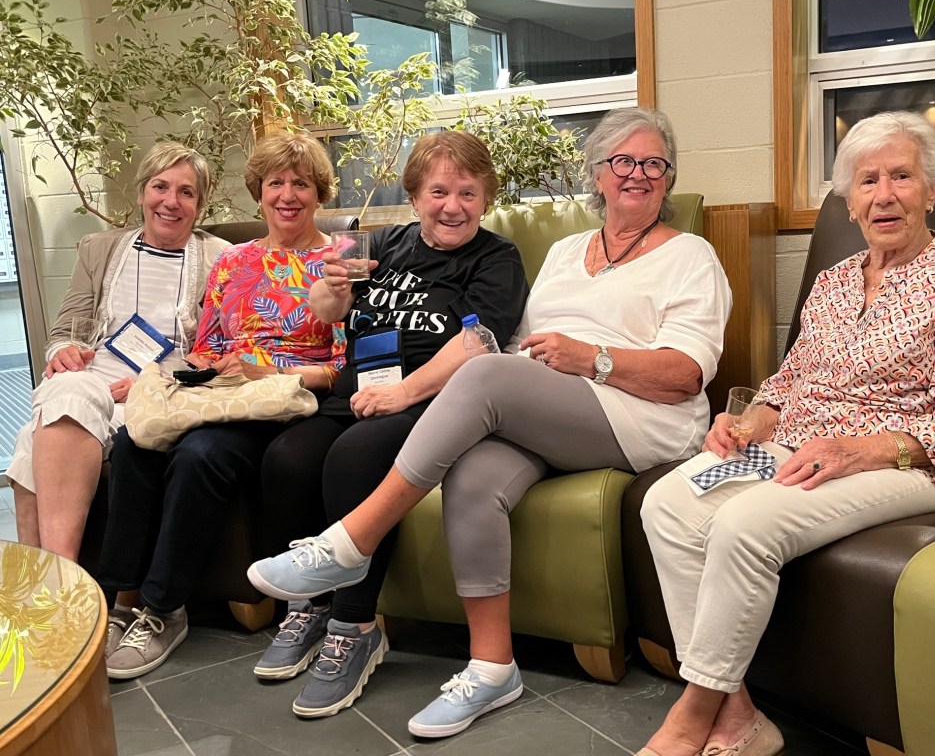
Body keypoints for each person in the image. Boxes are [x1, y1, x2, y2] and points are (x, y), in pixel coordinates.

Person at [248, 107, 733, 735]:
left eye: (653, 164)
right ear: (597, 173)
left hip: (639, 416)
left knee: (481, 368)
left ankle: (349, 543)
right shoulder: (565, 252)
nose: (637, 173)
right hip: (552, 408)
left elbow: (687, 375)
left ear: (668, 178)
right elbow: (521, 346)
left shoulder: (691, 255)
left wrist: (592, 357)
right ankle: (492, 667)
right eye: (622, 161)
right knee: (473, 475)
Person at [632, 110, 935, 756]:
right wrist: (752, 419)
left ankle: (691, 716)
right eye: (867, 181)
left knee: (744, 525)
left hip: (918, 464)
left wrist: (860, 450)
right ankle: (738, 713)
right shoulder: (835, 283)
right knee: (668, 503)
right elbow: (792, 379)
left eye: (901, 177)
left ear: (930, 191)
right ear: (849, 201)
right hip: (800, 448)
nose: (884, 195)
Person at [249, 130, 529, 717]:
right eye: (438, 192)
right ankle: (310, 611)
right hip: (357, 390)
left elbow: (479, 342)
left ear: (486, 198)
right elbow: (329, 312)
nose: (452, 206)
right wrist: (329, 289)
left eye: (468, 193)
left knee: (354, 456)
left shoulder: (496, 258)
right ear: (415, 195)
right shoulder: (381, 243)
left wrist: (403, 392)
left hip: (435, 400)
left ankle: (355, 628)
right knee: (287, 457)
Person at [97, 130, 348, 680]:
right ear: (258, 191)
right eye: (275, 183)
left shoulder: (336, 263)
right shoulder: (234, 261)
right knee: (134, 441)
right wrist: (178, 378)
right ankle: (120, 602)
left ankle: (165, 609)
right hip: (222, 392)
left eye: (301, 184)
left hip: (284, 400)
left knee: (200, 454)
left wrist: (267, 370)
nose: (287, 195)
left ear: (319, 194)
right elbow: (207, 346)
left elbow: (340, 367)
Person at [6, 142, 226, 561]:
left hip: (162, 392)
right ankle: (61, 583)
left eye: (186, 192)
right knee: (68, 390)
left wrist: (154, 382)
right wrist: (64, 351)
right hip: (92, 380)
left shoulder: (222, 258)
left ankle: (56, 582)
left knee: (30, 437)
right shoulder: (99, 248)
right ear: (142, 193)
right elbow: (65, 330)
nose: (171, 201)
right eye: (160, 187)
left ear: (199, 205)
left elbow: (219, 352)